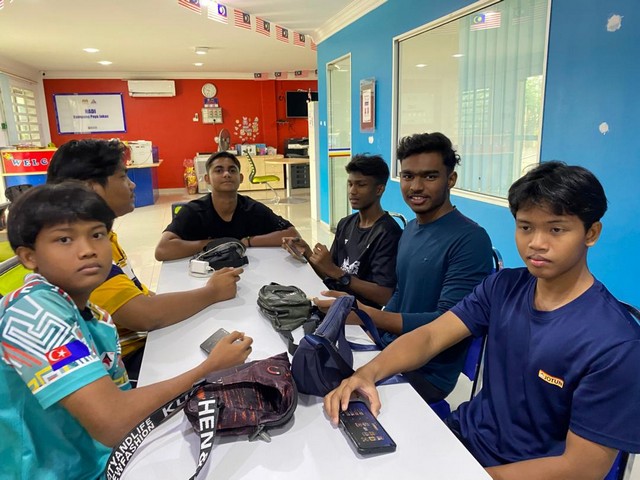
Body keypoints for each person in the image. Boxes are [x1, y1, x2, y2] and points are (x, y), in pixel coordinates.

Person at [324, 161, 640, 479]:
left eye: (556, 229)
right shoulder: (504, 286)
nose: (536, 243)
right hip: (464, 438)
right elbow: (431, 336)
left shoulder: (616, 343)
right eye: (525, 227)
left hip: (522, 470)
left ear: (591, 233)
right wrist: (367, 373)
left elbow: (583, 468)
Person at [0, 182, 253, 479]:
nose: (87, 250)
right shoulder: (34, 314)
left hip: (108, 456)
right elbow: (113, 420)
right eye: (64, 239)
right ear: (29, 257)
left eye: (97, 235)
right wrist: (208, 368)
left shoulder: (89, 311)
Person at [47, 139, 243, 386]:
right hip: (123, 365)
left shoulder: (103, 238)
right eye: (122, 176)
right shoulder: (81, 253)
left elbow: (138, 296)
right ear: (91, 189)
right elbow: (144, 315)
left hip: (142, 342)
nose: (132, 185)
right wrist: (211, 292)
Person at [318, 132, 493, 402]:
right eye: (408, 176)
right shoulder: (410, 229)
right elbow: (400, 292)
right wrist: (368, 325)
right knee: (312, 366)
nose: (416, 187)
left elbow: (445, 322)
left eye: (430, 176)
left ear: (451, 179)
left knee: (328, 397)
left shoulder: (471, 240)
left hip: (428, 372)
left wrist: (367, 314)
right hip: (390, 349)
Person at [282, 154, 402, 309]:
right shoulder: (346, 224)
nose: (352, 191)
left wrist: (337, 272)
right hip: (332, 305)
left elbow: (384, 296)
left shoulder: (388, 233)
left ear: (379, 189)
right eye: (350, 184)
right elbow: (329, 273)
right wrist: (306, 252)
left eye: (361, 185)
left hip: (359, 316)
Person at [155, 151, 299, 261]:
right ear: (207, 179)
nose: (226, 174)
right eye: (219, 170)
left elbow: (292, 234)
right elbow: (162, 250)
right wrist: (218, 244)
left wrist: (247, 242)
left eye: (232, 170)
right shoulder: (194, 211)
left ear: (240, 178)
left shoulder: (253, 209)